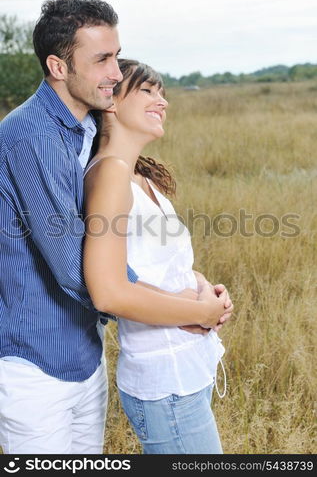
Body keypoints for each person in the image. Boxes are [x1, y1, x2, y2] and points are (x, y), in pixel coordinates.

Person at [0, 0, 232, 454]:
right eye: (102, 59)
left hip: (85, 354)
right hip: (35, 366)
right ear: (58, 66)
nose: (115, 72)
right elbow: (79, 271)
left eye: (116, 54)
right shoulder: (33, 136)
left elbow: (127, 251)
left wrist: (192, 286)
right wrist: (190, 306)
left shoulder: (82, 129)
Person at [83, 59, 233, 454]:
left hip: (186, 371)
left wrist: (206, 290)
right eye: (147, 91)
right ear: (111, 102)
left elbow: (161, 265)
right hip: (164, 380)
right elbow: (109, 291)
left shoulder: (139, 177)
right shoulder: (109, 174)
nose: (161, 101)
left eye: (162, 92)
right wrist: (200, 313)